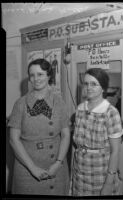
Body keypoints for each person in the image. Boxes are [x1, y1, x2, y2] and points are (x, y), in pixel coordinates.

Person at [8, 58, 70, 195]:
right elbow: (14, 139)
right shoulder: (20, 104)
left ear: (49, 76)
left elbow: (65, 135)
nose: (36, 78)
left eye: (40, 74)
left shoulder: (59, 101)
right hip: (27, 171)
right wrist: (33, 168)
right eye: (32, 75)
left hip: (56, 167)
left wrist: (58, 163)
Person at [71, 68, 123, 196]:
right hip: (80, 173)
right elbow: (76, 146)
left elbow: (115, 151)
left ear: (103, 88)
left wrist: (108, 184)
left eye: (94, 84)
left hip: (102, 173)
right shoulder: (79, 109)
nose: (89, 87)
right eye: (86, 83)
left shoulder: (111, 113)